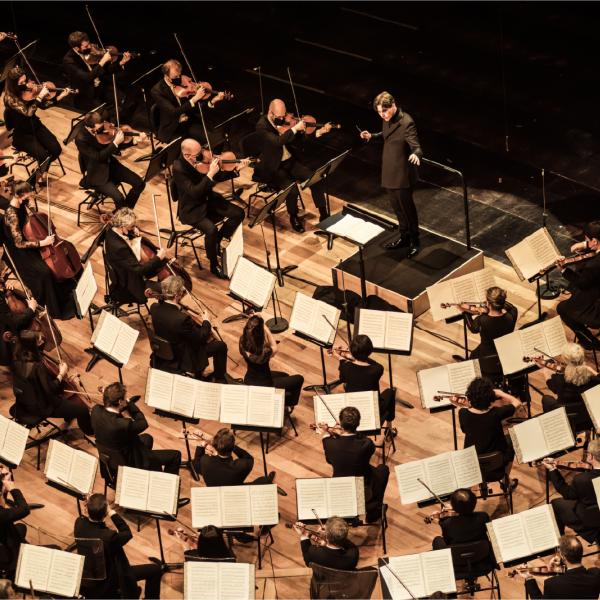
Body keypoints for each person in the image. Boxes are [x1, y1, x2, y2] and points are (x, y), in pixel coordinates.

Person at [1, 181, 78, 319]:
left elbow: (28, 226)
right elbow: (19, 244)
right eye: (28, 194)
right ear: (19, 195)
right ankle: (54, 307)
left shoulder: (21, 204)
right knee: (45, 273)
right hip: (20, 252)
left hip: (31, 241)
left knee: (54, 263)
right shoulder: (11, 215)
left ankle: (66, 290)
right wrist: (43, 242)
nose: (31, 195)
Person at [254, 98, 332, 233]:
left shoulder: (285, 123)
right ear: (270, 113)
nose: (283, 119)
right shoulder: (262, 126)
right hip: (274, 167)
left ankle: (324, 215)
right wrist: (295, 128)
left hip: (290, 162)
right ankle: (293, 216)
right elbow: (278, 142)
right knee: (292, 190)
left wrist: (319, 132)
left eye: (284, 116)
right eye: (279, 117)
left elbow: (299, 140)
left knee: (316, 179)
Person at [360, 91, 423, 256]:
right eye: (379, 112)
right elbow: (386, 135)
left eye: (385, 111)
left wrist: (416, 154)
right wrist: (372, 136)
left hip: (402, 174)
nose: (382, 115)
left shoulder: (406, 122)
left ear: (393, 105)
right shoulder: (386, 119)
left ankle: (415, 241)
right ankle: (404, 237)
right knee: (397, 209)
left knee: (407, 209)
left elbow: (416, 146)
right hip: (389, 170)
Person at [172, 138, 246, 278]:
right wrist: (210, 174)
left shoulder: (201, 161)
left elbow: (216, 177)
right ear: (187, 156)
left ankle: (217, 241)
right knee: (211, 229)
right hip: (192, 208)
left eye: (201, 150)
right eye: (198, 154)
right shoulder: (178, 168)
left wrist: (235, 170)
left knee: (238, 213)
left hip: (208, 200)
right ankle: (213, 264)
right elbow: (195, 192)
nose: (203, 155)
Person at [74, 493, 163, 599]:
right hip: (111, 579)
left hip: (90, 575)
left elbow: (84, 518)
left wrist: (91, 504)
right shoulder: (109, 537)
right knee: (155, 570)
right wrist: (112, 512)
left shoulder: (79, 524)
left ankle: (132, 591)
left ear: (87, 510)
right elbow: (127, 533)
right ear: (105, 513)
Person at [91, 381, 184, 477]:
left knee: (147, 438)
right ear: (120, 402)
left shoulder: (95, 411)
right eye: (124, 399)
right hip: (130, 462)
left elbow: (107, 410)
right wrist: (129, 402)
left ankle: (149, 469)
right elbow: (143, 423)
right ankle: (166, 481)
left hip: (111, 457)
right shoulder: (123, 425)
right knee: (175, 456)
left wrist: (109, 396)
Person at [10, 330, 93, 435]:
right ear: (33, 345)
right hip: (43, 406)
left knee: (68, 399)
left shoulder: (15, 359)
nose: (42, 340)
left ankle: (68, 414)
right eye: (39, 340)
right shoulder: (37, 367)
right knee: (82, 410)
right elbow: (52, 390)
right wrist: (61, 373)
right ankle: (90, 431)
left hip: (24, 401)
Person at [149, 275, 228, 382]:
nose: (183, 292)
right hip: (184, 356)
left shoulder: (154, 308)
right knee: (220, 346)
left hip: (166, 350)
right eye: (182, 291)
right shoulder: (182, 319)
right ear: (177, 295)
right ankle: (220, 378)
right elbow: (201, 337)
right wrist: (206, 321)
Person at [2, 66, 73, 185]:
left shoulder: (29, 91)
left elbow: (43, 106)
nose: (26, 84)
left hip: (36, 126)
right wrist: (39, 97)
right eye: (22, 83)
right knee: (43, 156)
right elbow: (28, 112)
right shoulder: (10, 98)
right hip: (22, 134)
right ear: (14, 84)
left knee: (56, 149)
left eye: (26, 80)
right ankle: (33, 180)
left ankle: (41, 171)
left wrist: (60, 97)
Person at [319, 406, 389, 523]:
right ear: (358, 424)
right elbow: (363, 442)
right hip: (363, 488)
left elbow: (329, 460)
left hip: (341, 487)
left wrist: (328, 433)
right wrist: (340, 433)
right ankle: (373, 512)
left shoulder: (329, 443)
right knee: (383, 469)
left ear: (341, 423)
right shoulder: (366, 444)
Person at [75, 111, 145, 210]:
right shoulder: (81, 139)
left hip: (111, 165)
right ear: (90, 128)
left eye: (102, 125)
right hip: (97, 174)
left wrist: (133, 141)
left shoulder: (103, 127)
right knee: (119, 198)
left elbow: (113, 142)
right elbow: (99, 157)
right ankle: (123, 218)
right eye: (99, 128)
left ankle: (125, 213)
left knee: (139, 183)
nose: (102, 129)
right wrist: (115, 143)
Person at [458, 377, 521, 486]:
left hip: (473, 463)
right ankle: (505, 480)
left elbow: (465, 429)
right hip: (497, 463)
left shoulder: (462, 413)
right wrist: (501, 393)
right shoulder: (496, 413)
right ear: (491, 399)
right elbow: (517, 402)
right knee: (512, 440)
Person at [150, 59, 227, 145]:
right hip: (173, 127)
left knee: (214, 138)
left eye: (179, 75)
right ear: (167, 76)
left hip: (188, 122)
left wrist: (213, 101)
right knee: (188, 147)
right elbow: (173, 113)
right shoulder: (157, 91)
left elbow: (195, 108)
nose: (179, 79)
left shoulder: (183, 81)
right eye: (175, 77)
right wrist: (195, 98)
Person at [239, 314, 304, 410]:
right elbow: (275, 348)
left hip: (250, 379)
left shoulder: (242, 341)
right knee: (299, 379)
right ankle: (288, 403)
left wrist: (253, 322)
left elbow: (251, 333)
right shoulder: (264, 352)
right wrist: (265, 328)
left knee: (285, 375)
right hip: (265, 385)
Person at [330, 334, 396, 428]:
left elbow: (343, 379)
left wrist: (341, 357)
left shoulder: (345, 367)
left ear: (352, 351)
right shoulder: (377, 369)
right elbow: (369, 364)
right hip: (371, 408)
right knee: (390, 392)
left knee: (346, 385)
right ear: (370, 351)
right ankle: (389, 425)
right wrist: (351, 356)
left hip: (353, 409)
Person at [541, 438, 600, 542]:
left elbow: (568, 494)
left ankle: (561, 545)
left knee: (556, 504)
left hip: (593, 522)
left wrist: (552, 469)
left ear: (590, 456)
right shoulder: (584, 479)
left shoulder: (582, 480)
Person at [103, 207, 166, 304]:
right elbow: (139, 271)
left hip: (125, 269)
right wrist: (158, 258)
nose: (133, 228)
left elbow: (125, 233)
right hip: (130, 282)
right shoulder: (119, 248)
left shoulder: (113, 228)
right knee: (166, 289)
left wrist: (132, 230)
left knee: (156, 265)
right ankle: (161, 309)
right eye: (131, 226)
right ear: (123, 226)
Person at [62, 31, 131, 113]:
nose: (90, 46)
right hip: (86, 94)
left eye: (89, 43)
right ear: (77, 48)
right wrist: (102, 61)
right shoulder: (69, 60)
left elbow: (104, 70)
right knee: (103, 113)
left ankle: (112, 123)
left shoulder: (90, 52)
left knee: (125, 102)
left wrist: (121, 63)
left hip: (100, 87)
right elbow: (87, 78)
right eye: (86, 46)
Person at [556, 221, 600, 349]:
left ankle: (589, 341)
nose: (586, 242)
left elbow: (582, 284)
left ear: (595, 241)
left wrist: (564, 270)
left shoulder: (594, 265)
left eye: (587, 240)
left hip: (597, 309)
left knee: (562, 308)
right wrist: (586, 244)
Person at [431, 488, 495, 572]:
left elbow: (447, 541)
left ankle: (445, 568)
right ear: (475, 503)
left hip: (457, 561)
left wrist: (441, 520)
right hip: (481, 557)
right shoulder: (483, 517)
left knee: (437, 540)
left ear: (453, 507)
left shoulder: (447, 524)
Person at [541, 342, 600, 432]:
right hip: (589, 419)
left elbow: (551, 385)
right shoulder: (593, 380)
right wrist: (589, 369)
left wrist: (544, 370)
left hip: (568, 420)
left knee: (546, 399)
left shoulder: (559, 379)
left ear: (565, 361)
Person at [520, 534, 600, 599]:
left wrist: (529, 579)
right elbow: (574, 577)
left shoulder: (552, 584)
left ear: (563, 557)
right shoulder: (596, 575)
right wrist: (559, 568)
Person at [192, 427, 273, 486]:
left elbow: (196, 464)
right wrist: (232, 446)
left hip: (215, 494)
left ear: (215, 446)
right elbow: (248, 458)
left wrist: (202, 444)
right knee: (264, 480)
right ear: (232, 446)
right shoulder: (241, 466)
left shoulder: (205, 461)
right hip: (235, 494)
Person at [459, 287, 518, 359]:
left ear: (488, 303)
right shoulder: (512, 314)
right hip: (505, 352)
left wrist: (465, 311)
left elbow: (473, 329)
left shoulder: (482, 320)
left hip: (486, 355)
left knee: (473, 355)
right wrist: (495, 301)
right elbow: (511, 307)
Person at [294, 516, 359, 570]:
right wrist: (326, 539)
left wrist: (303, 534)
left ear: (327, 537)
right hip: (346, 584)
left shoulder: (315, 553)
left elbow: (307, 562)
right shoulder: (353, 553)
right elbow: (344, 541)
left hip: (322, 584)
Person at [0, 466, 30, 578]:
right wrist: (13, 489)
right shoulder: (2, 515)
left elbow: (1, 501)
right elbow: (24, 509)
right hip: (4, 552)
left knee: (21, 527)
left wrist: (3, 484)